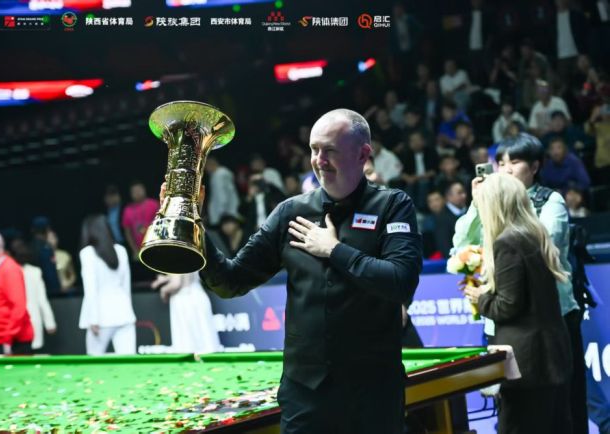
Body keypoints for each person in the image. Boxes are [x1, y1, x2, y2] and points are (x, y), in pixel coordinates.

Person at [161, 109, 422, 433]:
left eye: (330, 150)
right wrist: (194, 223)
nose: (319, 160)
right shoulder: (290, 213)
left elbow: (401, 281)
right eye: (314, 149)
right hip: (305, 395)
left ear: (362, 154)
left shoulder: (393, 206)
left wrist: (334, 250)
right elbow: (229, 282)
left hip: (373, 394)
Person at [452, 133, 588, 434]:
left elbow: (539, 256)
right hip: (508, 328)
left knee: (554, 409)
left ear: (535, 166)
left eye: (514, 162)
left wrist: (480, 296)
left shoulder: (541, 209)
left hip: (543, 324)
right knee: (536, 414)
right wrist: (477, 205)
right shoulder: (505, 221)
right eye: (501, 163)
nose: (506, 170)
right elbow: (460, 246)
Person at [79, 215, 136, 355]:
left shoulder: (87, 253)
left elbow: (90, 289)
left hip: (101, 317)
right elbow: (126, 286)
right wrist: (129, 310)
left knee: (94, 361)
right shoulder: (121, 251)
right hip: (124, 313)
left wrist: (93, 318)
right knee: (128, 361)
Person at [151, 272, 221, 354]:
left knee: (188, 346)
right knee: (206, 342)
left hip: (184, 301)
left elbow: (176, 283)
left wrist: (163, 291)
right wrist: (166, 278)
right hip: (199, 297)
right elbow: (185, 273)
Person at [8, 237, 56, 351]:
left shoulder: (8, 272)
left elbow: (42, 299)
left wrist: (50, 322)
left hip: (16, 324)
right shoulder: (34, 272)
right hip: (31, 321)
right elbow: (42, 300)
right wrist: (50, 323)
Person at [122, 181, 159, 260]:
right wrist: (134, 250)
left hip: (156, 247)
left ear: (144, 189)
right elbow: (127, 232)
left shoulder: (154, 204)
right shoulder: (127, 210)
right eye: (134, 191)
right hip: (139, 251)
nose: (137, 193)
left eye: (139, 190)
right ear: (130, 194)